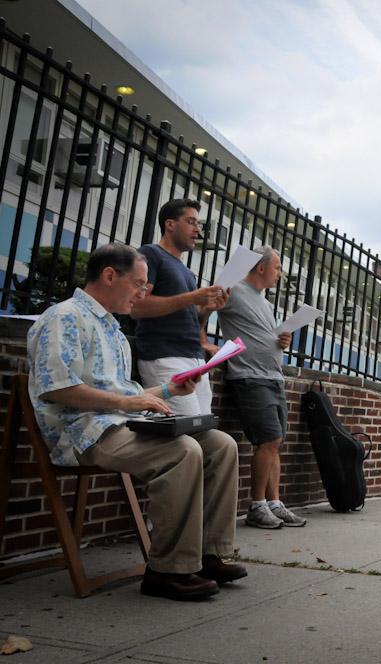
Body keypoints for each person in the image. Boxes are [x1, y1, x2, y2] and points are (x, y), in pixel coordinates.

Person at [25, 243, 246, 601]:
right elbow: (58, 388)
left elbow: (122, 393)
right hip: (84, 432)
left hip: (121, 422)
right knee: (182, 451)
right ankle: (167, 570)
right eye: (139, 284)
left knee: (221, 445)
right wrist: (129, 402)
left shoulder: (113, 329)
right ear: (110, 276)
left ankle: (207, 556)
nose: (143, 293)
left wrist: (169, 389)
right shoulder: (63, 317)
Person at [217, 246, 306, 529]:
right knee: (268, 440)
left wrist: (281, 341)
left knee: (275, 442)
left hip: (273, 377)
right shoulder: (233, 290)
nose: (280, 274)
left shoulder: (265, 304)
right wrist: (204, 343)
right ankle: (256, 506)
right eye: (277, 268)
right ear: (261, 267)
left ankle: (274, 503)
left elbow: (265, 335)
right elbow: (202, 311)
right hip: (250, 376)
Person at [131, 199, 228, 416]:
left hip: (195, 360)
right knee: (186, 429)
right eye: (191, 222)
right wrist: (192, 298)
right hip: (165, 357)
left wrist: (208, 309)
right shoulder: (150, 254)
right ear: (170, 224)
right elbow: (137, 306)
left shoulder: (187, 272)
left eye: (199, 224)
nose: (198, 229)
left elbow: (192, 322)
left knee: (203, 428)